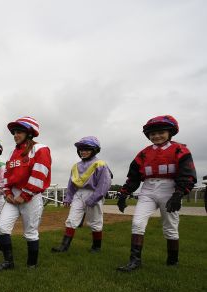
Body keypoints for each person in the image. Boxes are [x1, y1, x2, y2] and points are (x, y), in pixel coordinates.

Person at [116, 115, 196, 271]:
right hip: (148, 189)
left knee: (170, 226)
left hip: (170, 189)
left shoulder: (180, 149)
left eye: (161, 132)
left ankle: (172, 261)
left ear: (170, 132)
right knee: (137, 223)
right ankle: (135, 261)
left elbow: (187, 174)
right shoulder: (144, 153)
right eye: (152, 134)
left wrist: (179, 193)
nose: (156, 136)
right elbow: (133, 176)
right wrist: (124, 193)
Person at [0, 117, 51, 271]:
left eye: (19, 132)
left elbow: (40, 174)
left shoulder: (40, 149)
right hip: (13, 197)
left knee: (30, 232)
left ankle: (32, 265)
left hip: (30, 197)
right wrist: (7, 192)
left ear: (29, 133)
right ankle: (8, 262)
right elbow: (7, 175)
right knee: (2, 227)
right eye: (14, 132)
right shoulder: (13, 153)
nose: (15, 135)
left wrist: (24, 195)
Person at [52, 136, 112, 253]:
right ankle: (64, 246)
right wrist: (68, 197)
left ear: (94, 150)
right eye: (81, 150)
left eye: (86, 149)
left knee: (95, 221)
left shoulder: (100, 164)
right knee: (71, 219)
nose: (83, 152)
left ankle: (96, 247)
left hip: (94, 193)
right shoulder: (76, 166)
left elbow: (104, 183)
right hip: (78, 194)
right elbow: (71, 184)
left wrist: (94, 198)